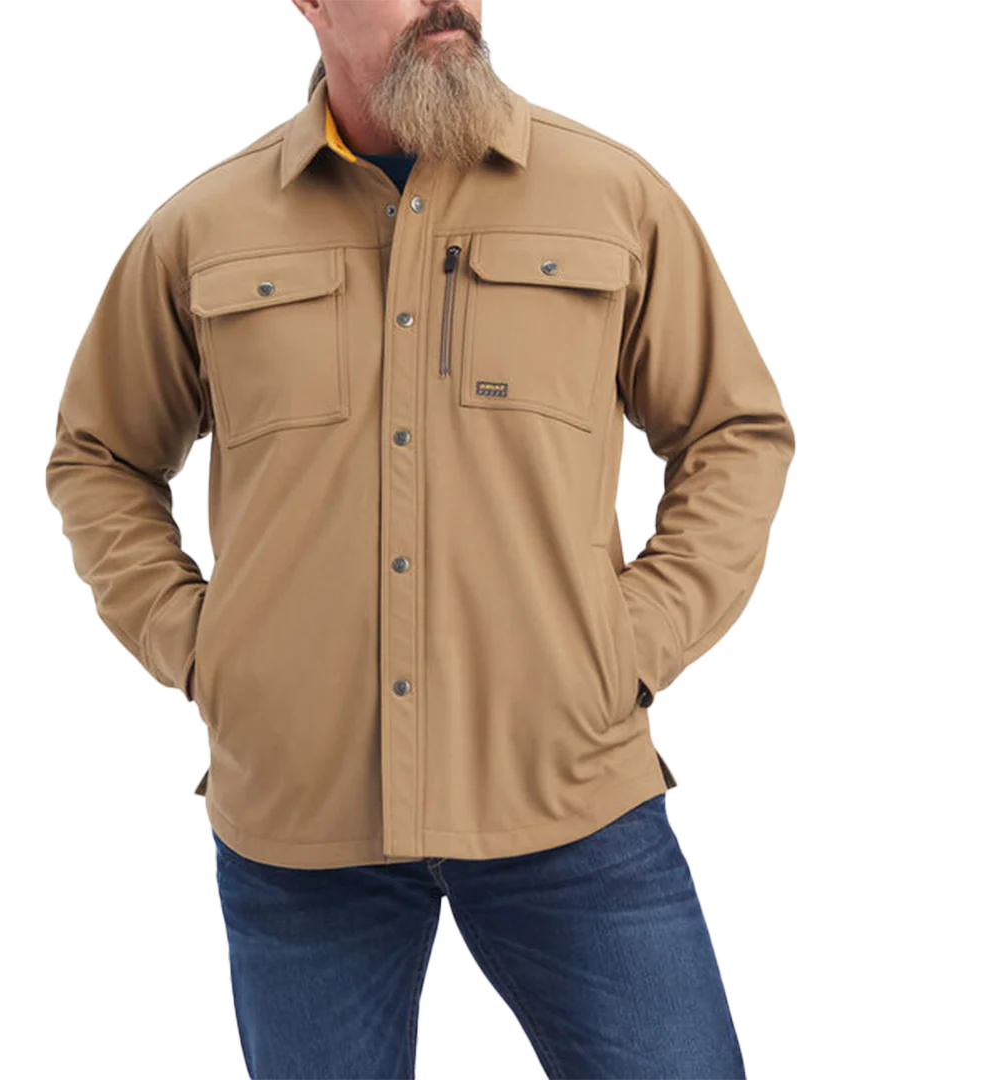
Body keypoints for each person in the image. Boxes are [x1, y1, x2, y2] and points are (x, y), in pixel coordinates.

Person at [45, 1, 796, 1076]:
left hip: (567, 791)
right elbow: (99, 456)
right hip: (301, 818)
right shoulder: (204, 229)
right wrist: (204, 649)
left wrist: (631, 641)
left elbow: (733, 433)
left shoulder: (612, 199)